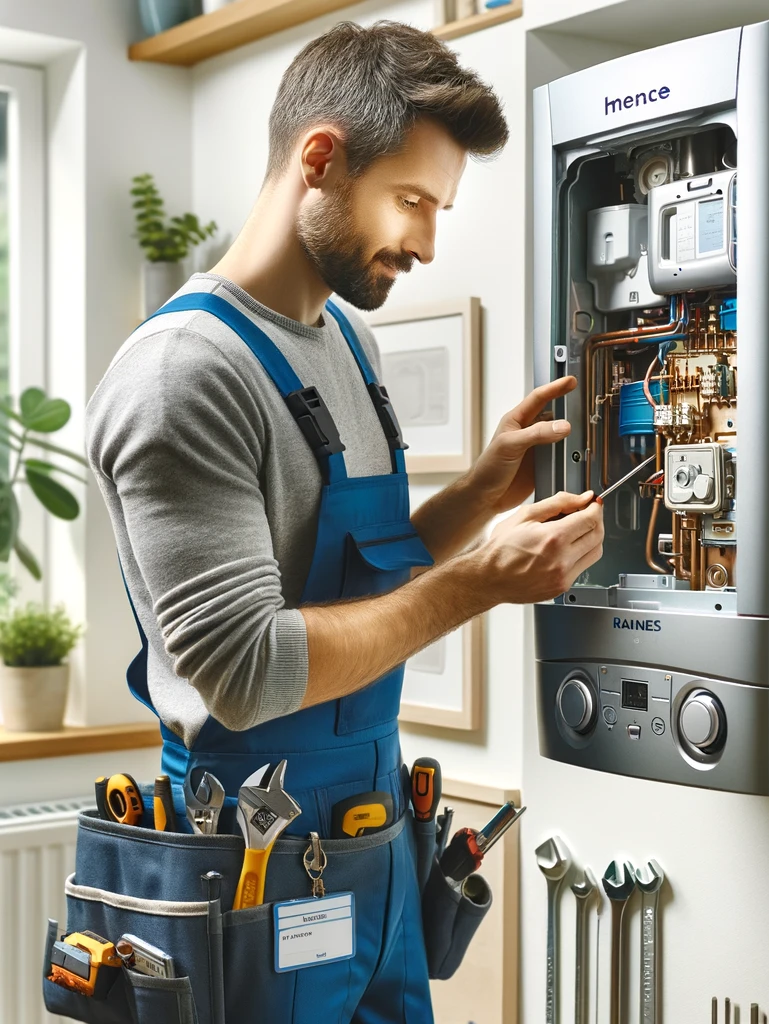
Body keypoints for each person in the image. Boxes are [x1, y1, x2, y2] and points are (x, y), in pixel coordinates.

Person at [86, 19, 603, 1022]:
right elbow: (244, 672)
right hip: (242, 868)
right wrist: (481, 581)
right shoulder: (182, 376)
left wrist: (476, 498)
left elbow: (353, 570)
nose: (426, 240)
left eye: (439, 208)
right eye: (412, 200)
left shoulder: (347, 346)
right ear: (321, 158)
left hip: (370, 851)